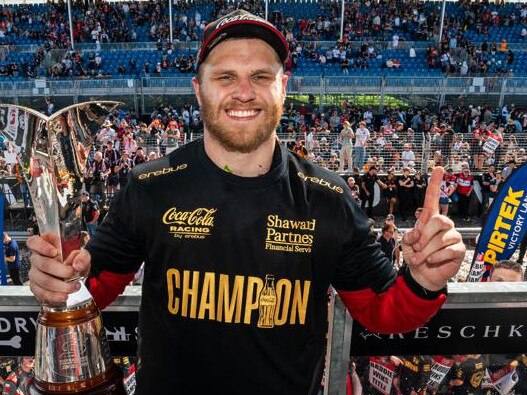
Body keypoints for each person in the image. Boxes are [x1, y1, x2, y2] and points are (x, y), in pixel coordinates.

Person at [27, 10, 465, 394]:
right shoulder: (149, 187)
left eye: (260, 76)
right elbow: (89, 287)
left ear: (283, 87)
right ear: (198, 89)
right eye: (225, 77)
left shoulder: (327, 199)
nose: (244, 92)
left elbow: (381, 312)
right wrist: (59, 280)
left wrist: (424, 280)